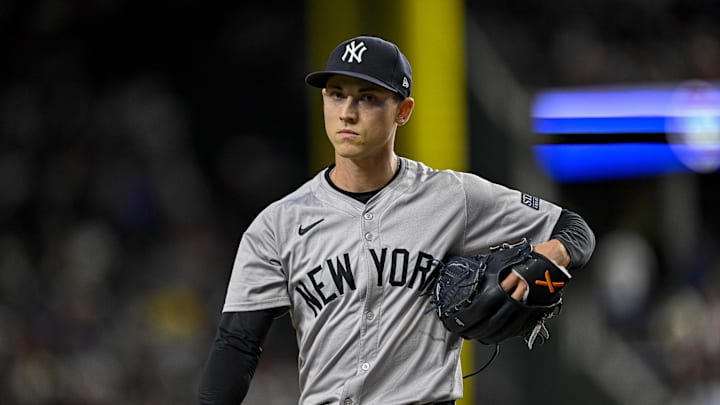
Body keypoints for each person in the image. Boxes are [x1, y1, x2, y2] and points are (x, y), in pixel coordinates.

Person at [198, 35, 595, 405]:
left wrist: (548, 255)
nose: (348, 113)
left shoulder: (452, 196)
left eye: (368, 98)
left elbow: (575, 230)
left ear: (402, 111)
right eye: (337, 95)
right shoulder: (277, 224)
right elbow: (236, 343)